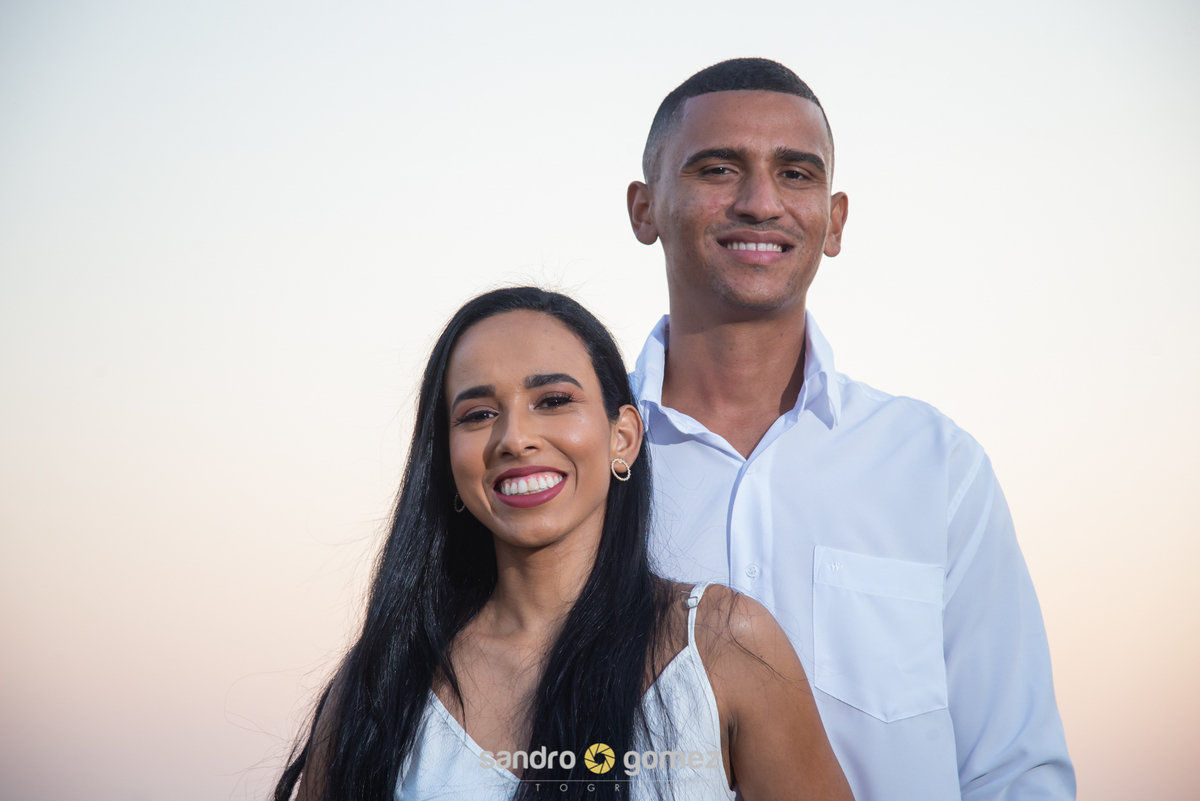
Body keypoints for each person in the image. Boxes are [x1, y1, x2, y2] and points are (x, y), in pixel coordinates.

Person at [625, 59, 1075, 801]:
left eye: (796, 173)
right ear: (645, 209)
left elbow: (1014, 770)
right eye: (717, 168)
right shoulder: (576, 472)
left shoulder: (936, 467)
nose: (761, 201)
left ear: (834, 222)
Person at [274, 287, 854, 801]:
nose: (515, 438)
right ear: (447, 462)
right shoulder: (382, 680)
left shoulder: (724, 646)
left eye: (552, 401)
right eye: (478, 414)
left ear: (622, 437)